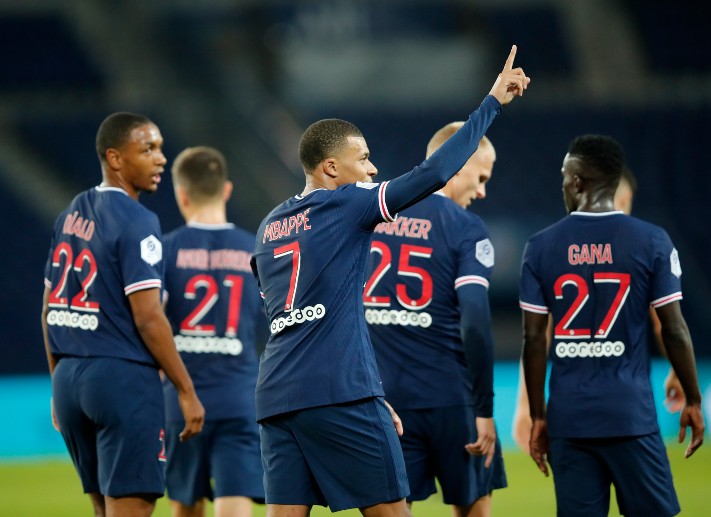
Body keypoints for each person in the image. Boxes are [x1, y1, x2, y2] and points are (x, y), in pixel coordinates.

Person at [250, 46, 529, 517]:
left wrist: (371, 391)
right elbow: (435, 172)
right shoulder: (346, 204)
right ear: (331, 168)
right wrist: (492, 103)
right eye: (363, 158)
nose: (373, 168)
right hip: (340, 392)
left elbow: (277, 308)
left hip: (277, 395)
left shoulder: (269, 225)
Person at [519, 134, 704, 516]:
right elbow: (673, 328)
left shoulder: (540, 247)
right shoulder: (652, 241)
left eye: (564, 177)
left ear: (577, 182)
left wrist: (537, 416)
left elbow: (534, 339)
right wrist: (694, 398)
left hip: (569, 420)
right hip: (631, 416)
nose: (562, 185)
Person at [40, 112, 205, 517]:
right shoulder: (138, 221)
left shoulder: (72, 212)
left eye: (160, 148)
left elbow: (48, 309)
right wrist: (185, 390)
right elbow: (149, 318)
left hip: (69, 379)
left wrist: (58, 382)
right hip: (120, 379)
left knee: (103, 510)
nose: (161, 158)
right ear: (115, 158)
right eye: (148, 149)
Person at [364, 122, 506, 517]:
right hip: (452, 398)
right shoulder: (465, 227)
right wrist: (484, 408)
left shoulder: (372, 215)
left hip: (386, 401)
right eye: (481, 177)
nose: (482, 191)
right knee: (473, 509)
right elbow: (475, 322)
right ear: (459, 163)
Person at [511, 166, 687, 454]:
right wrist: (680, 371)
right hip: (629, 409)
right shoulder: (642, 248)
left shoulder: (553, 250)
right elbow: (665, 325)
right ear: (623, 198)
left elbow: (537, 336)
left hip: (570, 410)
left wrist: (526, 405)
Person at [161, 146, 265, 517]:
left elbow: (148, 321)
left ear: (182, 195)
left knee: (186, 506)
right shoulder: (255, 250)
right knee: (236, 500)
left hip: (180, 401)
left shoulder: (164, 250)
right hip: (240, 397)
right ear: (227, 190)